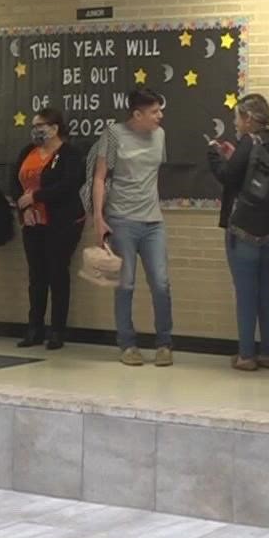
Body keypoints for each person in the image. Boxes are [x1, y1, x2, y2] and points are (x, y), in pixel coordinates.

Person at [92, 88, 172, 366]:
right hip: (122, 219)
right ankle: (127, 344)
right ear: (137, 114)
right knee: (125, 284)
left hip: (153, 221)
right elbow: (100, 177)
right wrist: (98, 218)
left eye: (160, 110)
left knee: (161, 283)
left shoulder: (160, 135)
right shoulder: (114, 135)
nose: (160, 116)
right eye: (154, 112)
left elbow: (153, 174)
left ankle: (164, 343)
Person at [211, 94, 269, 371]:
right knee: (266, 292)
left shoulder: (247, 142)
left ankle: (246, 354)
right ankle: (268, 352)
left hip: (242, 229)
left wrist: (215, 158)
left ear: (248, 119)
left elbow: (229, 177)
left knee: (245, 294)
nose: (236, 123)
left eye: (238, 117)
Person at [16, 108, 84, 350]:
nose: (36, 130)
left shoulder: (70, 154)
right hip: (32, 222)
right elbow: (15, 183)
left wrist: (37, 197)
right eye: (33, 126)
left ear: (55, 128)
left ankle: (57, 330)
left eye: (40, 126)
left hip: (61, 221)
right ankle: (34, 328)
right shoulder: (28, 152)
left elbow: (69, 185)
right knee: (36, 276)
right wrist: (24, 208)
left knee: (57, 273)